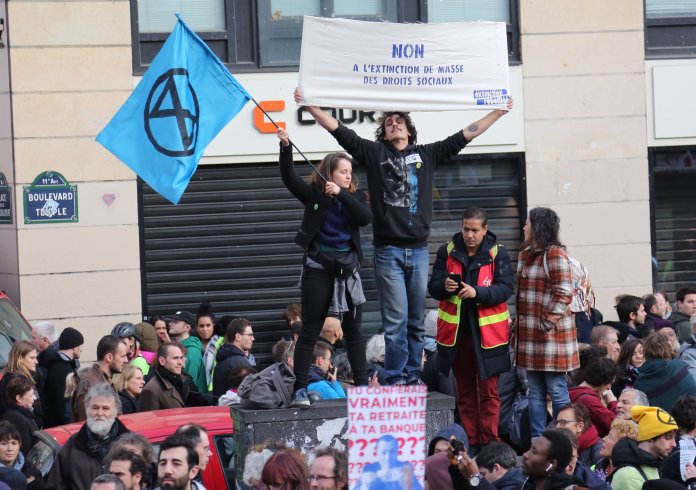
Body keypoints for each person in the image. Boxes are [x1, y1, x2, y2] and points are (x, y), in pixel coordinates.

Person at [295, 88, 513, 387]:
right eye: (388, 122)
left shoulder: (428, 154)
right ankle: (397, 377)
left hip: (419, 251)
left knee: (415, 320)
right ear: (384, 134)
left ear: (409, 130)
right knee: (396, 320)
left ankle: (412, 376)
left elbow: (466, 134)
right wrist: (311, 107)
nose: (394, 124)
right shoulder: (375, 153)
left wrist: (498, 113)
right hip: (388, 251)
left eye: (399, 121)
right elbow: (340, 131)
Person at [277, 127, 371, 406]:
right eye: (343, 171)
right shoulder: (314, 195)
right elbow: (289, 177)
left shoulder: (355, 197)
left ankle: (363, 389)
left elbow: (365, 218)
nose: (349, 176)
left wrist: (341, 194)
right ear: (330, 173)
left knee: (354, 332)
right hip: (318, 267)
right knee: (310, 329)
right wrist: (286, 147)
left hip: (348, 270)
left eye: (350, 172)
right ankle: (300, 389)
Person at [428, 207, 514, 451]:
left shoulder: (498, 253)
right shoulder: (447, 251)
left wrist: (478, 293)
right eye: (466, 229)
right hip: (457, 337)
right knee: (464, 393)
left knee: (489, 394)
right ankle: (472, 442)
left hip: (489, 338)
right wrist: (444, 287)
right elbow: (433, 287)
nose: (469, 235)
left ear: (485, 229)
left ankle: (491, 444)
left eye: (475, 230)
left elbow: (506, 289)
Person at [514, 207, 579, 437]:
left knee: (556, 389)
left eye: (527, 223)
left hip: (552, 337)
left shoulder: (554, 254)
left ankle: (564, 438)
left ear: (538, 226)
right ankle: (538, 440)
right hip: (531, 337)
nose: (524, 227)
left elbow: (564, 293)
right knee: (535, 391)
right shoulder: (525, 254)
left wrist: (546, 322)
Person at [47, 383, 130, 490]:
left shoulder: (131, 445)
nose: (100, 413)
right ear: (87, 411)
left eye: (105, 408)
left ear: (115, 413)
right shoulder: (72, 446)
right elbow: (55, 486)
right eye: (95, 408)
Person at [451, 429, 579, 489]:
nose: (525, 454)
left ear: (551, 464)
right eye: (530, 449)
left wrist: (475, 478)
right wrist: (457, 465)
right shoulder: (525, 486)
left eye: (534, 452)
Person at [610, 405, 678, 489]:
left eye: (674, 438)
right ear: (651, 436)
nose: (674, 444)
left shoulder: (654, 466)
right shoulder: (630, 476)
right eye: (668, 437)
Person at [71, 335, 128, 422]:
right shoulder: (89, 384)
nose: (126, 360)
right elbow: (87, 424)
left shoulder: (105, 380)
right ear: (109, 357)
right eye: (123, 356)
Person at [634, 332, 696, 412]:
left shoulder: (639, 383)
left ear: (646, 352)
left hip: (661, 419)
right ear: (668, 347)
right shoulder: (678, 366)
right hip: (690, 417)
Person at [41, 326, 83, 427]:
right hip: (59, 428)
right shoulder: (62, 369)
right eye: (80, 346)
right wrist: (68, 425)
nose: (82, 350)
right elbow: (63, 404)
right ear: (74, 347)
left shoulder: (57, 364)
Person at [568, 357, 618, 437]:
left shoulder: (575, 391)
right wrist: (612, 403)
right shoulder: (589, 400)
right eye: (609, 383)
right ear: (602, 382)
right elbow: (615, 425)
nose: (609, 387)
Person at [357, 434, 423, 490]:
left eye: (392, 452)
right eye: (383, 453)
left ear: (397, 452)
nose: (388, 457)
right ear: (377, 453)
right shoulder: (368, 469)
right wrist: (365, 486)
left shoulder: (405, 468)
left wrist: (408, 485)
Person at [138, 343, 188, 411]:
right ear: (162, 361)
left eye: (181, 358)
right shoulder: (151, 390)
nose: (180, 362)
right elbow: (149, 417)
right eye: (175, 358)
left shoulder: (179, 382)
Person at [212, 319, 254, 398]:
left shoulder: (222, 358)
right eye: (250, 335)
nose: (253, 339)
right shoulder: (241, 364)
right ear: (238, 337)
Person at [166, 311, 206, 394]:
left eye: (175, 322)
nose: (170, 324)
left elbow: (188, 385)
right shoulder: (180, 348)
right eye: (172, 321)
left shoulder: (191, 352)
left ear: (187, 327)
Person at [0, 340, 40, 420]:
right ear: (20, 359)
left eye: (36, 357)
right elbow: (25, 411)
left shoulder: (9, 376)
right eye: (32, 358)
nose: (36, 361)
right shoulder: (18, 381)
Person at [1, 377, 41, 455]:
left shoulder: (19, 415)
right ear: (19, 398)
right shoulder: (17, 420)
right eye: (31, 395)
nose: (35, 398)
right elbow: (25, 450)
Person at [0, 421, 43, 490]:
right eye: (4, 443)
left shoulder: (32, 472)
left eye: (14, 443)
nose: (10, 448)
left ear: (19, 445)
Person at [196, 302, 221, 395]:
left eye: (208, 325)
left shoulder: (220, 344)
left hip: (214, 392)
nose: (205, 329)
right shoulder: (193, 346)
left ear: (213, 325)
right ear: (197, 327)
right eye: (201, 326)